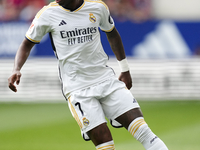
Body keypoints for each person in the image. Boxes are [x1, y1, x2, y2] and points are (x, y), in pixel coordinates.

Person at [8, 0, 168, 149]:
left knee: (145, 133)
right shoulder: (47, 14)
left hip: (106, 80)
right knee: (106, 145)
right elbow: (26, 44)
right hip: (78, 89)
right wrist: (16, 68)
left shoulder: (97, 7)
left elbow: (112, 34)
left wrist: (124, 69)